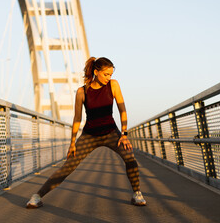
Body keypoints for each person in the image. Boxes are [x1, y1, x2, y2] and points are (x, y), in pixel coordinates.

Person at [26, 57, 146, 208]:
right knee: (68, 167)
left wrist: (124, 134)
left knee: (130, 158)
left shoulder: (113, 85)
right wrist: (72, 143)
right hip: (90, 136)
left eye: (111, 74)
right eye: (106, 74)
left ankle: (137, 194)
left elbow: (122, 109)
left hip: (111, 133)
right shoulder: (82, 92)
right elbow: (77, 118)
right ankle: (36, 197)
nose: (109, 78)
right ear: (96, 72)